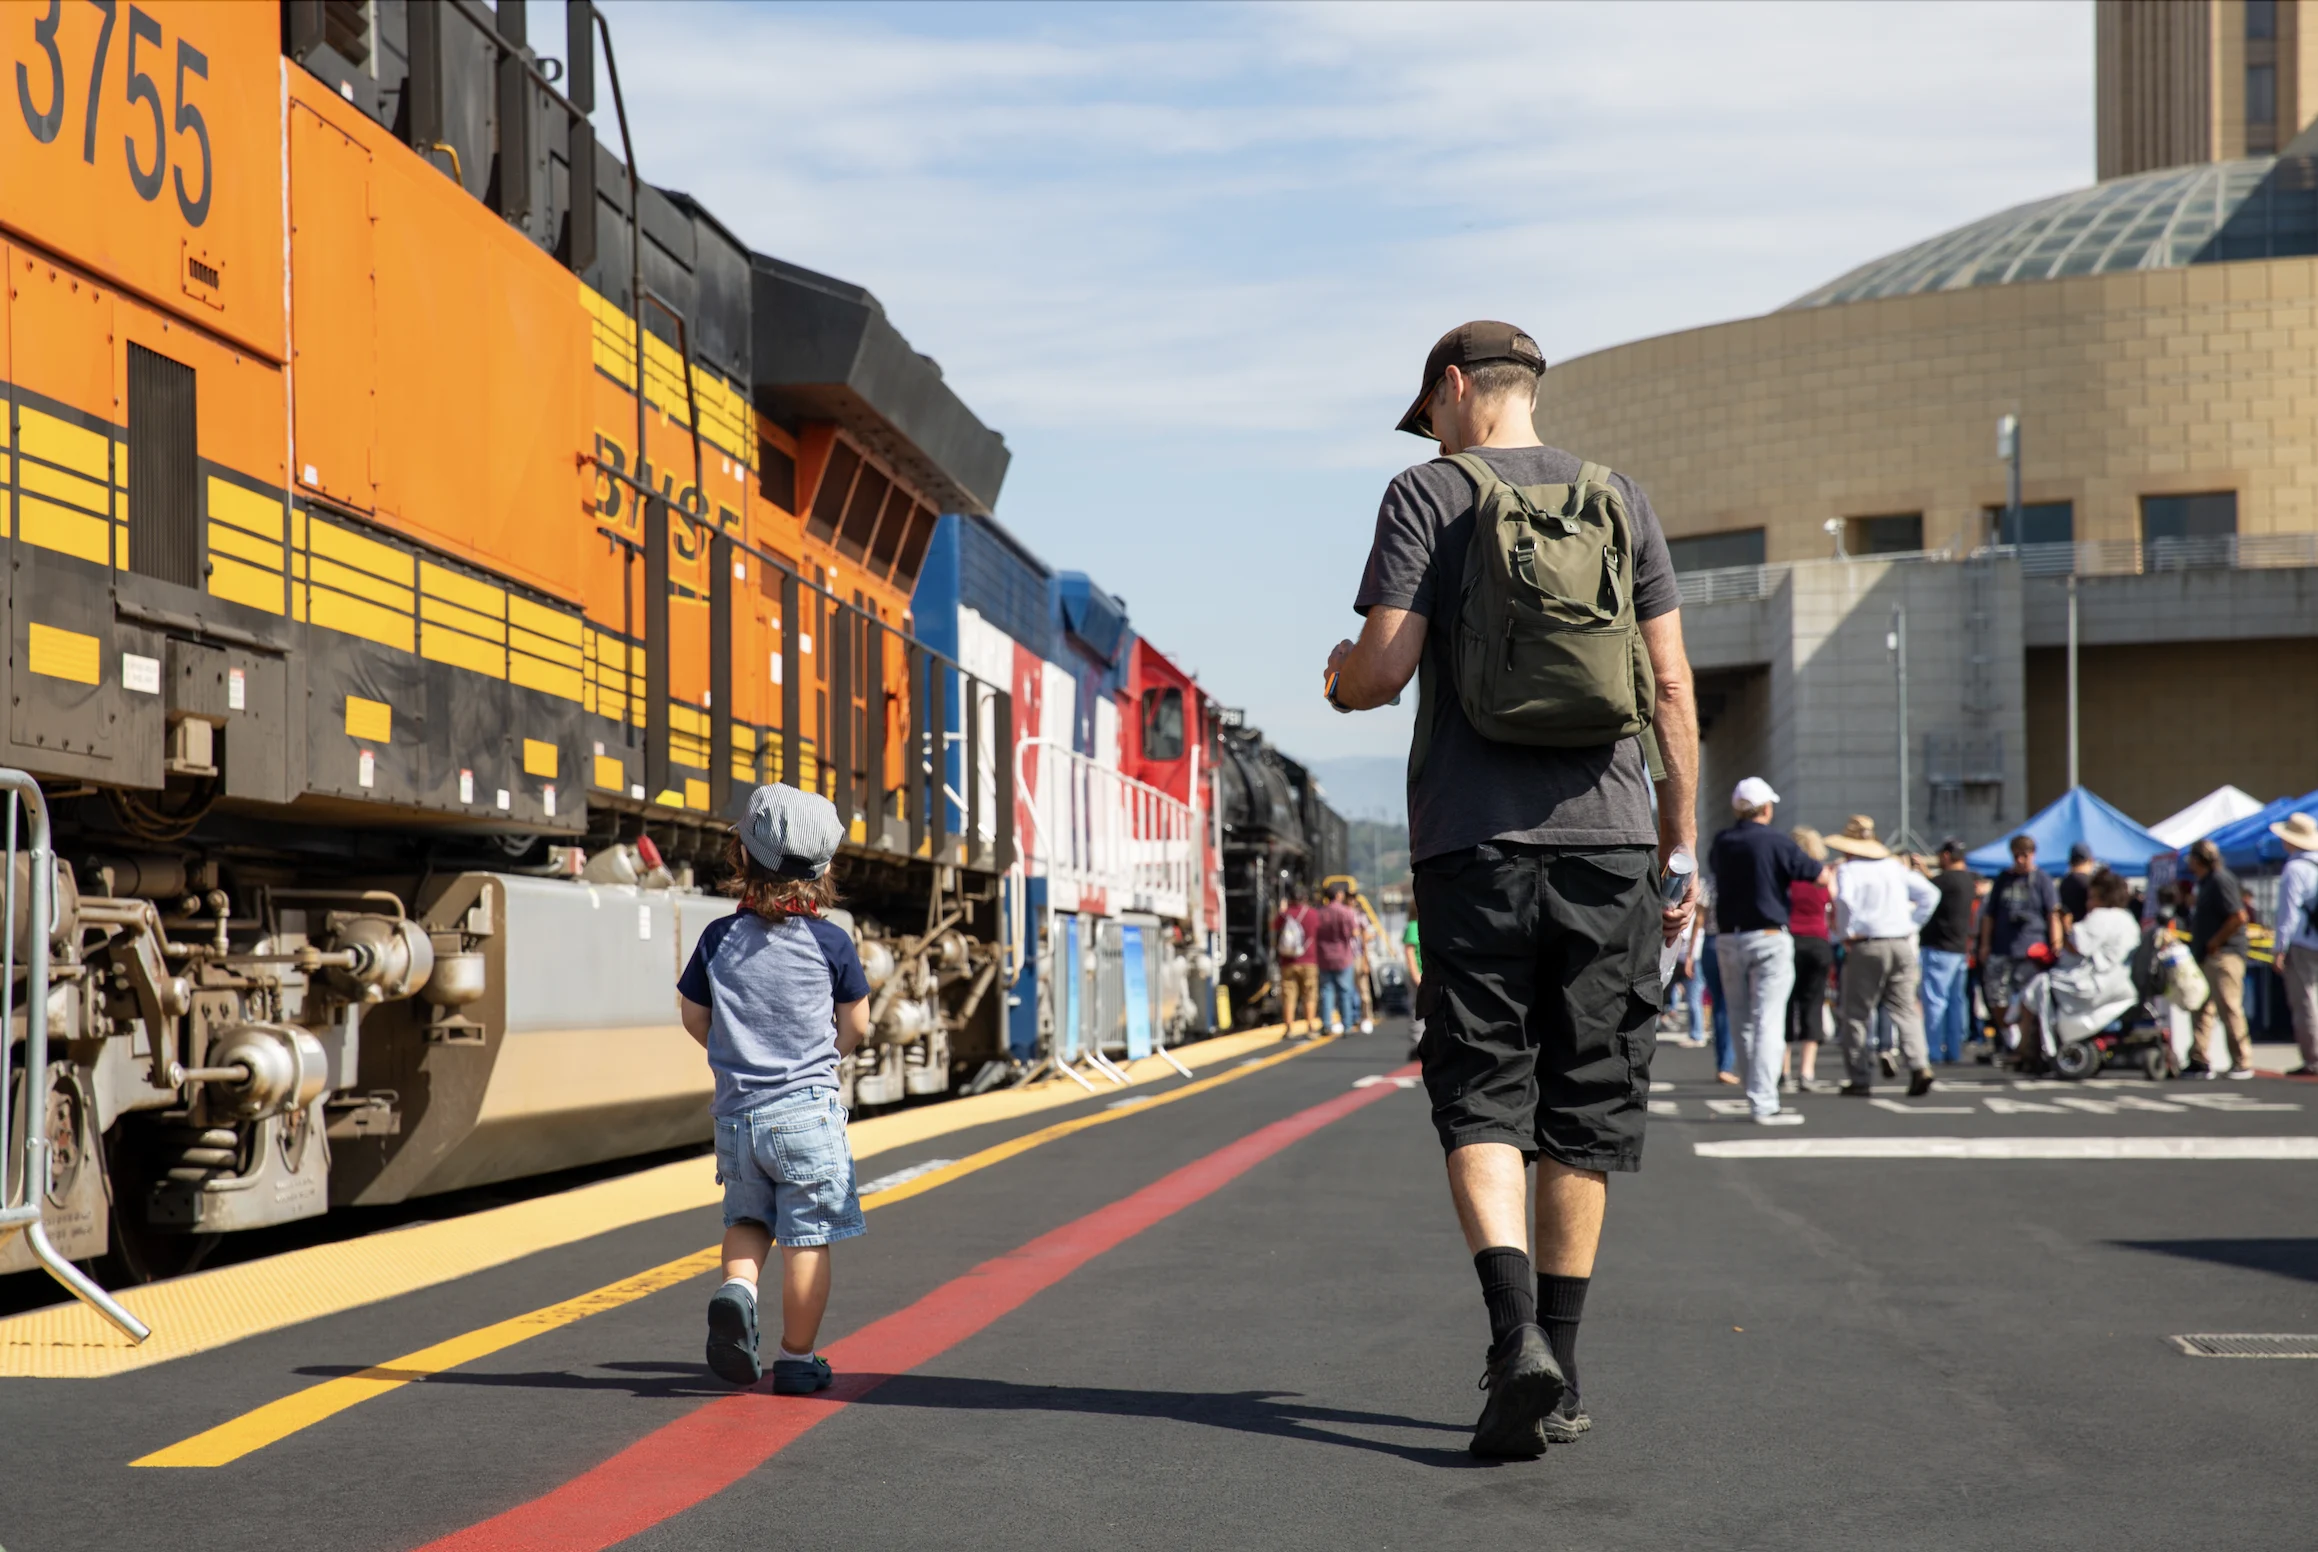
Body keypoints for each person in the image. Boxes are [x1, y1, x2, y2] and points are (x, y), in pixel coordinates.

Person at [1323, 319, 1699, 1459]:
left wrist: (1339, 682)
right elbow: (1672, 690)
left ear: (1451, 389)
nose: (1429, 427)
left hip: (1471, 844)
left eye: (1428, 408)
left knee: (1482, 1087)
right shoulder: (1619, 498)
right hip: (1611, 845)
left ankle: (1511, 1337)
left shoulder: (1427, 494)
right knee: (1583, 1103)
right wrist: (1677, 847)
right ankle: (1565, 1370)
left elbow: (1383, 668)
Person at [677, 783, 870, 1394]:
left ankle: (737, 1290)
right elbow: (856, 1024)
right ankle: (795, 1357)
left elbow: (692, 1015)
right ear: (825, 866)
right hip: (807, 1115)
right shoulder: (831, 940)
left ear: (745, 859)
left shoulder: (717, 938)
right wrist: (825, 1056)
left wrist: (731, 1056)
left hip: (737, 1117)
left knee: (747, 1220)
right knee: (807, 1238)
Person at [1707, 778, 1823, 1124]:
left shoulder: (1722, 842)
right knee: (1767, 1020)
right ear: (1767, 809)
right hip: (1770, 935)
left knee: (1741, 1019)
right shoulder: (1776, 841)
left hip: (1728, 937)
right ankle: (1764, 1100)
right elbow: (1815, 874)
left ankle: (1754, 1093)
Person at [1825, 815, 1940, 1096]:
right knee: (1904, 1008)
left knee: (1857, 1013)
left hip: (1867, 944)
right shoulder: (1893, 867)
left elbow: (1844, 902)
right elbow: (1930, 893)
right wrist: (1912, 924)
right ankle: (1919, 1064)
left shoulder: (1849, 870)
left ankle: (1860, 1076)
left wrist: (1845, 933)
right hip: (1900, 942)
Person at [2012, 868, 2139, 1065]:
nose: (2088, 904)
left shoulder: (2102, 917)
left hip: (2096, 984)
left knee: (2039, 985)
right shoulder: (2127, 919)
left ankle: (2027, 1050)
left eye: (2092, 897)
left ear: (2104, 897)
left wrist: (2065, 924)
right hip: (2119, 981)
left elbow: (2077, 945)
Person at [1977, 834, 2064, 1060]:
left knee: (2030, 1000)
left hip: (2032, 950)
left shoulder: (2042, 880)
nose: (2020, 860)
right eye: (2016, 855)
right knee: (1996, 998)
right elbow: (1989, 915)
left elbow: (2053, 913)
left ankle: (2028, 1047)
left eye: (2024, 855)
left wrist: (2056, 944)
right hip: (2002, 948)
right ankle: (2011, 1039)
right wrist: (1984, 944)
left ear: (2032, 855)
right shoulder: (2003, 879)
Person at [2185, 837, 2255, 1078]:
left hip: (2224, 955)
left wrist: (2215, 942)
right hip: (2207, 956)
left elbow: (2238, 916)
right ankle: (2199, 1058)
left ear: (2198, 859)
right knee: (2201, 1008)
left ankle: (2241, 1060)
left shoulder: (2220, 880)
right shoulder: (2205, 883)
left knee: (2229, 1006)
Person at [1917, 839, 1979, 1065]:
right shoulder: (1968, 881)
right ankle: (1954, 1050)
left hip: (1939, 947)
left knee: (1935, 1001)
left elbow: (1927, 890)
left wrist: (1921, 872)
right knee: (1956, 1002)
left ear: (1946, 855)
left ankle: (1934, 1050)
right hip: (1959, 948)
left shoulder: (1944, 881)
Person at [1784, 827, 1834, 1092]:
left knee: (1784, 1005)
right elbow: (1836, 906)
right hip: (1818, 941)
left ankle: (1783, 1071)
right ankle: (1807, 1071)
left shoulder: (1787, 875)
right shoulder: (1825, 875)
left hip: (1790, 940)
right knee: (1813, 1004)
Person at [2271, 813, 2318, 1077]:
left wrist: (2279, 948)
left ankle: (2313, 1058)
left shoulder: (2295, 869)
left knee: (2305, 1001)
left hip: (2303, 943)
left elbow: (2287, 914)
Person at [1315, 882, 1365, 1036]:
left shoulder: (1320, 913)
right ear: (1338, 895)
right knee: (1345, 991)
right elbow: (1355, 933)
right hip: (1343, 956)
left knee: (1326, 990)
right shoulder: (1346, 912)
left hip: (1324, 956)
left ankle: (1326, 1024)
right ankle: (1347, 1025)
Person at [1272, 883, 1322, 1038]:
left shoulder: (1284, 915)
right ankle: (1310, 1027)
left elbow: (1273, 928)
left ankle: (1288, 1028)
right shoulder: (1313, 914)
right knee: (1310, 994)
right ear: (1305, 897)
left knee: (1288, 995)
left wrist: (1281, 910)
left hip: (1288, 962)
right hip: (1309, 960)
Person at [2057, 841, 2099, 925]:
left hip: (2068, 931)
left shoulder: (2063, 883)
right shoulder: (2092, 884)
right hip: (2088, 931)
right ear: (2090, 860)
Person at [1403, 911, 1425, 1060]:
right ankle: (1418, 1044)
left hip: (1429, 973)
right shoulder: (1413, 926)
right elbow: (1409, 951)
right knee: (1418, 1008)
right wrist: (1415, 975)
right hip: (1418, 974)